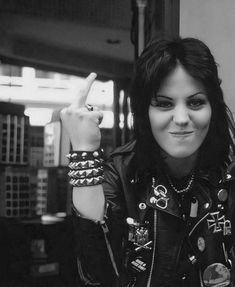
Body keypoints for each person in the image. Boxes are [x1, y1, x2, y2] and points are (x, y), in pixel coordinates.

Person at [60, 37, 235, 287]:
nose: (182, 118)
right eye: (164, 104)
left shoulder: (229, 173)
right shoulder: (120, 173)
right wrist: (84, 152)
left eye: (196, 102)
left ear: (212, 107)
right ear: (145, 112)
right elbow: (98, 275)